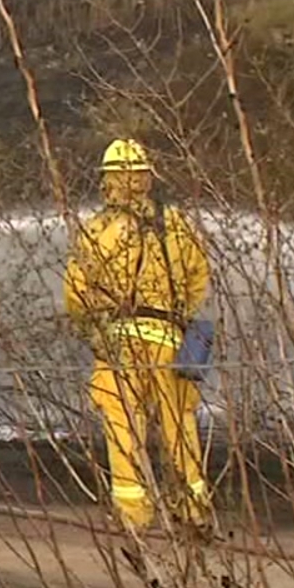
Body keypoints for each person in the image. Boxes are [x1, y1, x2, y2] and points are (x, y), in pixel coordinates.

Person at [63, 138, 213, 536]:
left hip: (118, 346)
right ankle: (193, 511)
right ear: (147, 178)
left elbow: (77, 295)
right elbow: (199, 277)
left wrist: (91, 330)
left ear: (108, 180)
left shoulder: (97, 230)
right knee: (179, 425)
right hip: (169, 339)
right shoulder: (176, 224)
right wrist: (180, 315)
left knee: (122, 426)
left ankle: (134, 516)